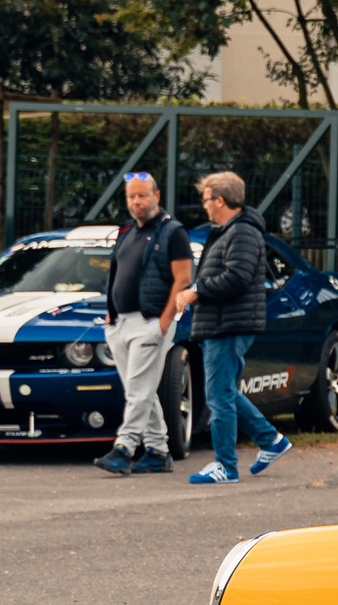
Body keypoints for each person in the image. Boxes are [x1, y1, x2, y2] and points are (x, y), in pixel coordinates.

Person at [187, 172, 292, 485]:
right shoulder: (230, 231)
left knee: (218, 396)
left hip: (228, 325)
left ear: (220, 200)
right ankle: (271, 440)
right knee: (225, 391)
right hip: (223, 323)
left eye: (206, 200)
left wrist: (197, 290)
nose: (204, 207)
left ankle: (226, 466)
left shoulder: (242, 233)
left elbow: (237, 277)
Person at [96, 169, 193, 476]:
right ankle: (158, 451)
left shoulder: (173, 231)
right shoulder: (126, 232)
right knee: (142, 390)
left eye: (142, 195)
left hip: (150, 322)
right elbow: (115, 273)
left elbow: (184, 279)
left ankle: (124, 448)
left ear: (157, 196)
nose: (136, 202)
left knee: (137, 390)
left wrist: (164, 321)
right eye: (131, 197)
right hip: (121, 324)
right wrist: (111, 314)